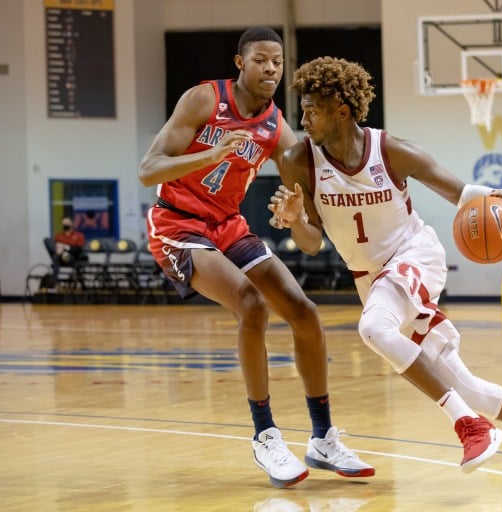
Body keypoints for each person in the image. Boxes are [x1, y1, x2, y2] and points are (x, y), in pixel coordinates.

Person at [269, 56, 502, 484]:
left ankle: (469, 426)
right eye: (303, 109)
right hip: (371, 279)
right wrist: (297, 220)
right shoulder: (299, 160)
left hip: (414, 257)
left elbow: (461, 192)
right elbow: (312, 244)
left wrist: (501, 198)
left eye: (313, 108)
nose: (304, 118)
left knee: (373, 330)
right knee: (466, 387)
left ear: (342, 111)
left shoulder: (391, 151)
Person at [137, 29, 373, 488]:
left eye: (277, 62)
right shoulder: (204, 100)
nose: (270, 69)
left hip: (229, 226)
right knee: (250, 302)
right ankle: (265, 434)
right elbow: (149, 170)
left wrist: (301, 212)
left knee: (303, 311)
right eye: (261, 60)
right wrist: (209, 153)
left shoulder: (275, 126)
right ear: (240, 64)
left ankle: (323, 437)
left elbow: (311, 190)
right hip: (177, 223)